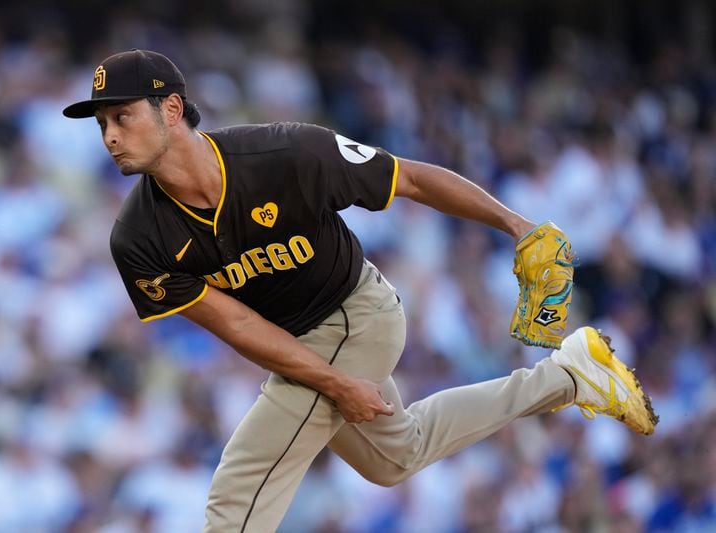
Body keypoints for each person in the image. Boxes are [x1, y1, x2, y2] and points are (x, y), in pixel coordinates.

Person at [63, 49, 657, 532]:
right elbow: (239, 328)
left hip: (357, 314)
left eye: (122, 116)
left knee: (238, 489)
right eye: (103, 125)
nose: (110, 136)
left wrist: (517, 226)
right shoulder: (136, 237)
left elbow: (414, 180)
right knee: (394, 457)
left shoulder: (285, 152)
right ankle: (569, 375)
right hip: (300, 344)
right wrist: (334, 383)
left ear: (171, 109)